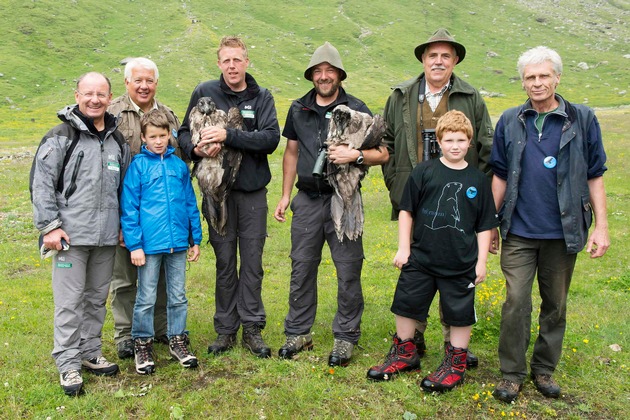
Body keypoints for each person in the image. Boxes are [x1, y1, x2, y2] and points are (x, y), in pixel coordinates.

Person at [491, 46, 609, 403]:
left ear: (557, 77)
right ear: (523, 82)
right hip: (518, 231)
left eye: (544, 76)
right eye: (530, 77)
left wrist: (602, 227)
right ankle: (512, 373)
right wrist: (488, 227)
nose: (537, 83)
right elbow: (498, 175)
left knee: (555, 303)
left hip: (563, 230)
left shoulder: (582, 118)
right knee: (515, 300)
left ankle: (544, 369)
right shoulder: (510, 120)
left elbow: (595, 175)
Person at [381, 28, 496, 367]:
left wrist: (480, 205)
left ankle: (453, 345)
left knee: (454, 266)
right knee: (416, 266)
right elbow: (388, 143)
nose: (438, 61)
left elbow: (487, 149)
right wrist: (395, 183)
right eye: (433, 55)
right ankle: (410, 343)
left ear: (455, 60)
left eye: (446, 55)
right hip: (415, 196)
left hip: (459, 199)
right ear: (423, 58)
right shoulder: (402, 95)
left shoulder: (470, 96)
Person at [273, 41, 389, 367]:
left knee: (348, 268)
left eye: (330, 71)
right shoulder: (298, 108)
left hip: (345, 199)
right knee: (302, 266)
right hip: (308, 199)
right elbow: (291, 153)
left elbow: (384, 153)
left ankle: (345, 337)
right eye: (318, 71)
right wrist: (285, 195)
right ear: (312, 75)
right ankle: (298, 332)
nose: (324, 76)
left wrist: (356, 155)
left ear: (339, 74)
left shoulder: (357, 108)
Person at [367, 111, 498, 391]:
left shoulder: (478, 181)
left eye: (461, 140)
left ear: (469, 143)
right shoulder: (424, 172)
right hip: (421, 257)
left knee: (459, 313)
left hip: (460, 262)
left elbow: (485, 226)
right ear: (438, 141)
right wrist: (404, 248)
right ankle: (404, 353)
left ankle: (455, 364)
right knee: (406, 303)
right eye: (449, 139)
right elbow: (406, 211)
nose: (454, 145)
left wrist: (482, 262)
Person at [178, 36, 280, 358]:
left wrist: (228, 135)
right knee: (224, 263)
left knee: (252, 262)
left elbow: (270, 138)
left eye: (238, 60)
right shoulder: (204, 92)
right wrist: (195, 148)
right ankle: (225, 330)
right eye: (227, 60)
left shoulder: (261, 97)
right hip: (215, 195)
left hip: (251, 195)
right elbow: (182, 134)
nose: (232, 66)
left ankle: (252, 328)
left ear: (246, 62)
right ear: (219, 63)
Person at [31, 72, 129, 396]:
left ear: (110, 97)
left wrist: (123, 227)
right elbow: (41, 182)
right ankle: (68, 364)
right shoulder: (60, 136)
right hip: (69, 238)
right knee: (69, 302)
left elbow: (124, 189)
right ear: (77, 95)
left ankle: (89, 353)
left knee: (96, 299)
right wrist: (50, 226)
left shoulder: (117, 142)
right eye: (88, 93)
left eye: (101, 94)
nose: (94, 99)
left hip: (105, 238)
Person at [108, 57, 182, 360]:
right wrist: (120, 223)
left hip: (160, 216)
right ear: (126, 82)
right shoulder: (112, 114)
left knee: (162, 274)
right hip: (121, 209)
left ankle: (161, 328)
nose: (143, 85)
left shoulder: (168, 116)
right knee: (125, 277)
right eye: (137, 80)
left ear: (156, 83)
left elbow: (179, 162)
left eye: (149, 80)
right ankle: (126, 334)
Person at [120, 109, 202, 375]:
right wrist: (135, 245)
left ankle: (178, 339)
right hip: (149, 247)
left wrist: (195, 239)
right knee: (146, 296)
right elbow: (129, 208)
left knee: (178, 296)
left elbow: (190, 203)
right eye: (153, 136)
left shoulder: (179, 166)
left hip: (177, 243)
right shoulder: (138, 167)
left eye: (163, 135)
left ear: (170, 136)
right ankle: (142, 343)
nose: (158, 141)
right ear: (143, 138)